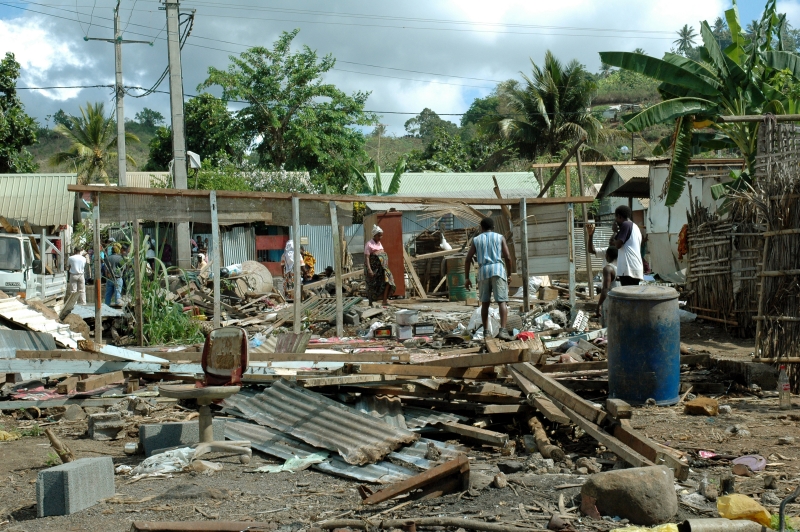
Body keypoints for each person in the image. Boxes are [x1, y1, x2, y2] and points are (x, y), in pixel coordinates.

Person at [465, 217, 513, 341]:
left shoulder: (476, 240)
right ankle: (502, 330)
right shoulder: (500, 237)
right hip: (498, 270)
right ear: (493, 227)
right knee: (502, 301)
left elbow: (468, 258)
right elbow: (507, 257)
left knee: (485, 303)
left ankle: (486, 332)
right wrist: (509, 274)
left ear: (481, 228)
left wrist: (467, 278)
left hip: (483, 271)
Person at [611, 205, 644, 286]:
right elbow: (614, 242)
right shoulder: (634, 226)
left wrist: (615, 232)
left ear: (619, 216)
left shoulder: (626, 225)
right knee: (633, 296)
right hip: (635, 268)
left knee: (628, 296)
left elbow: (618, 245)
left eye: (616, 217)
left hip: (629, 269)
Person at [364, 225, 396, 306]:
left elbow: (382, 254)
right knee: (372, 286)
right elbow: (367, 258)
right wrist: (369, 269)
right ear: (374, 235)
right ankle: (371, 303)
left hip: (382, 268)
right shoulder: (369, 244)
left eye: (381, 235)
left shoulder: (379, 244)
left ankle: (385, 300)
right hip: (373, 269)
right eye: (379, 235)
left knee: (389, 280)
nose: (380, 237)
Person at [597, 247, 621, 327]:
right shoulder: (623, 267)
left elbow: (606, 288)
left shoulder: (608, 268)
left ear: (606, 255)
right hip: (620, 301)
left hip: (610, 302)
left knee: (608, 328)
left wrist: (599, 305)